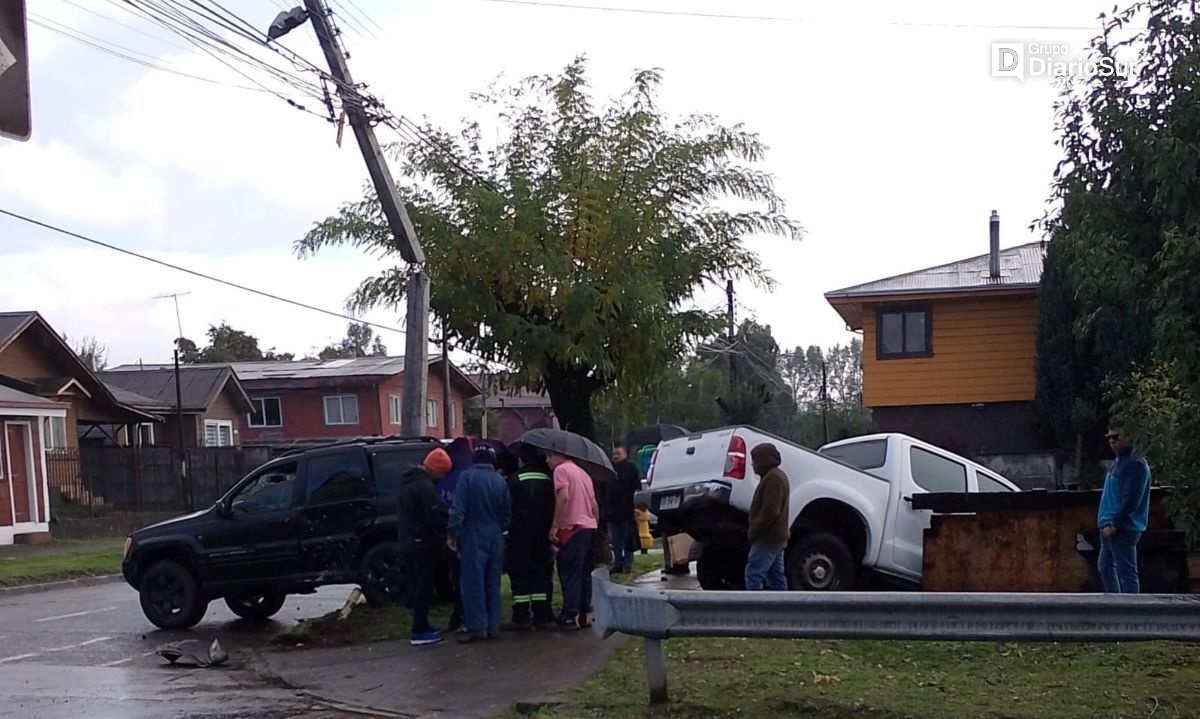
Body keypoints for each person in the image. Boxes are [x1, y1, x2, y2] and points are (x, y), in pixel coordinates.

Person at [448, 445, 511, 643]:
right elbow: (507, 514)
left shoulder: (467, 478)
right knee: (493, 581)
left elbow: (458, 510)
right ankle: (493, 625)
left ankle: (477, 627)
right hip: (495, 535)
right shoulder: (500, 481)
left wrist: (453, 534)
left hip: (473, 533)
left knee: (473, 581)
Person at [395, 448, 453, 646]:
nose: (443, 477)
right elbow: (432, 516)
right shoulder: (425, 487)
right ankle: (419, 630)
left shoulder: (407, 482)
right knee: (423, 587)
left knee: (418, 585)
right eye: (443, 472)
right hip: (420, 543)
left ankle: (422, 625)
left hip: (408, 541)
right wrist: (446, 530)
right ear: (436, 470)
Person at [504, 445, 557, 630]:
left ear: (521, 460)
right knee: (541, 572)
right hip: (543, 533)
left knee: (520, 573)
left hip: (519, 534)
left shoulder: (514, 479)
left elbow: (507, 508)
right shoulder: (549, 480)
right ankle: (542, 614)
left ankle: (521, 615)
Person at [1097, 423, 1152, 594]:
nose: (1112, 441)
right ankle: (1116, 607)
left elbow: (1130, 500)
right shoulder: (1119, 461)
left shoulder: (1135, 464)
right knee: (1105, 567)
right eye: (1109, 437)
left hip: (1122, 528)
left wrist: (1114, 524)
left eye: (1116, 436)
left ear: (1129, 437)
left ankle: (1132, 613)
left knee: (1126, 573)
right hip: (1110, 526)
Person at [548, 451, 600, 630]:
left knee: (570, 573)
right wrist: (594, 526)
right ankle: (586, 614)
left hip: (573, 528)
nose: (547, 461)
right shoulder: (584, 474)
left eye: (550, 456)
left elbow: (564, 497)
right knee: (586, 574)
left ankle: (570, 615)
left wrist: (555, 525)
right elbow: (594, 505)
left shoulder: (561, 471)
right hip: (589, 528)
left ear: (560, 456)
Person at [745, 443, 790, 591]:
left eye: (755, 460)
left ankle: (755, 610)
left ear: (765, 460)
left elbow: (771, 511)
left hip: (767, 538)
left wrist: (754, 530)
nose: (752, 464)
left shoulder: (773, 479)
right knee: (776, 578)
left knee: (753, 575)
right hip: (775, 537)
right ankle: (784, 609)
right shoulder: (775, 476)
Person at [607, 446, 641, 573]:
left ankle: (627, 563)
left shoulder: (631, 469)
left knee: (628, 539)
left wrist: (635, 507)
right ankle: (617, 563)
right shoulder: (609, 469)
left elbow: (637, 488)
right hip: (612, 511)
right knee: (615, 541)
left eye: (618, 453)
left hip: (627, 510)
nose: (615, 456)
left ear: (625, 454)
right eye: (613, 453)